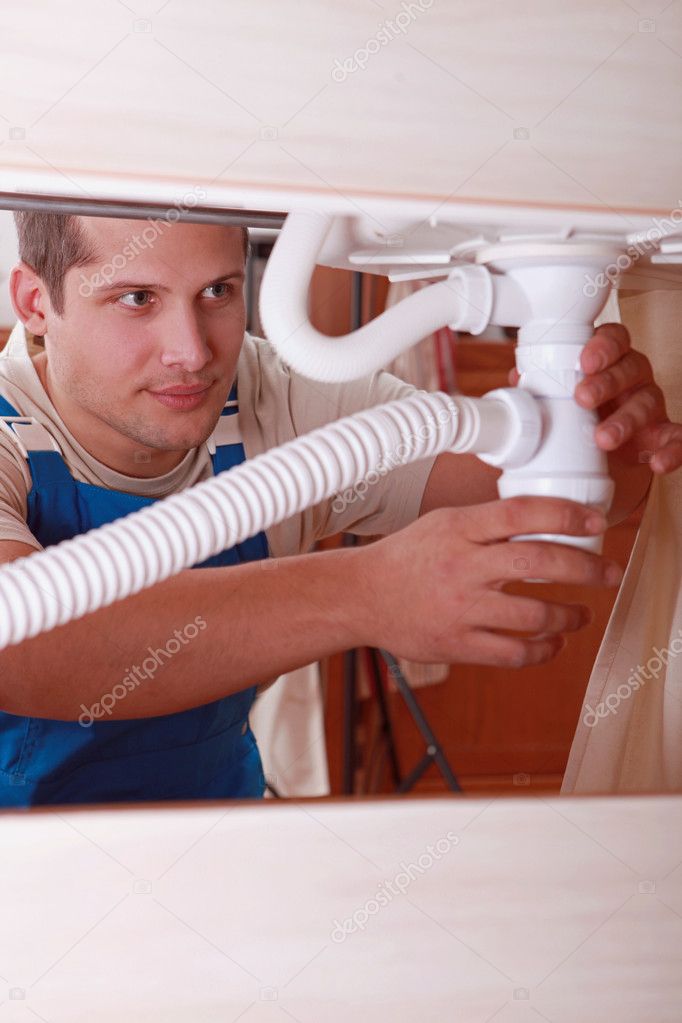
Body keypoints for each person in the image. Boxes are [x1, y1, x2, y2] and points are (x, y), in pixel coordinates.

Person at [0, 212, 678, 806]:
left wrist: (607, 434)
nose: (193, 353)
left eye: (218, 292)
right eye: (137, 298)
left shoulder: (273, 396)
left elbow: (540, 493)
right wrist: (364, 594)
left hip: (212, 842)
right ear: (35, 302)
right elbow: (24, 643)